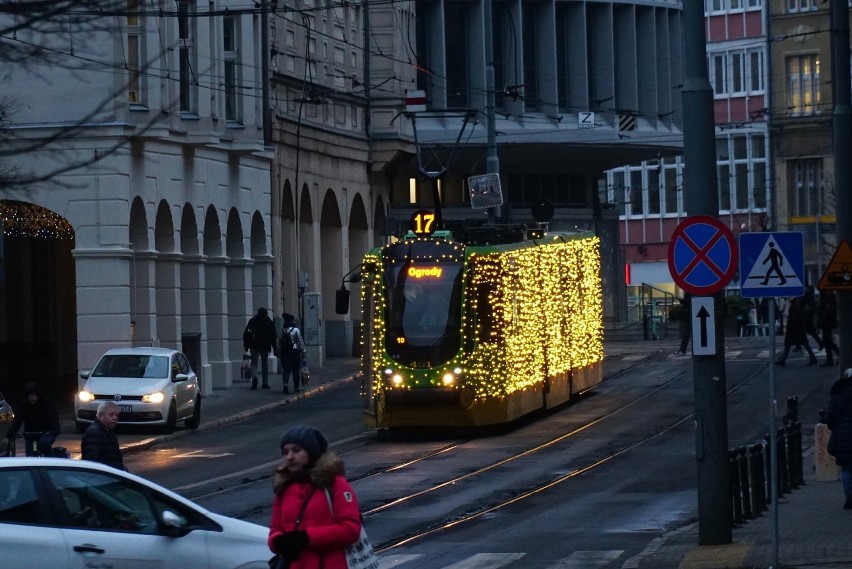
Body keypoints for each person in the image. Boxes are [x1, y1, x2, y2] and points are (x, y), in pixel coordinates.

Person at [268, 425, 361, 569]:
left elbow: (351, 529)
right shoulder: (284, 487)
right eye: (285, 452)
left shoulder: (334, 484)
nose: (290, 457)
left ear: (311, 452)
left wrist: (307, 538)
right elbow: (275, 529)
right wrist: (278, 541)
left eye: (296, 450)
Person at [6, 382, 60, 457]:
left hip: (46, 432)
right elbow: (18, 420)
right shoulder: (24, 406)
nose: (32, 398)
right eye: (30, 396)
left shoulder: (45, 404)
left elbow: (53, 419)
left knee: (44, 443)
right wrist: (12, 431)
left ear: (38, 395)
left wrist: (52, 431)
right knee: (31, 454)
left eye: (34, 395)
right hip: (31, 434)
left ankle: (50, 460)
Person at [825, 368, 852, 509]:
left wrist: (836, 428)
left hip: (843, 435)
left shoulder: (838, 395)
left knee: (847, 468)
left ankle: (849, 497)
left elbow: (830, 418)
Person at [81, 401, 126, 471]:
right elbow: (92, 461)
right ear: (101, 415)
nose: (114, 418)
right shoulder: (94, 433)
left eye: (116, 415)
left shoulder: (108, 431)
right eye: (110, 415)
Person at [776, 297, 817, 366]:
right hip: (797, 329)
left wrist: (790, 319)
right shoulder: (797, 305)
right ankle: (783, 360)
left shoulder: (795, 305)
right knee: (801, 344)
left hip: (795, 329)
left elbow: (796, 317)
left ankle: (783, 360)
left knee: (790, 344)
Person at [244, 307, 278, 390]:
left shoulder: (252, 321)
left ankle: (254, 377)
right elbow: (273, 336)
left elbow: (247, 333)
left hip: (254, 345)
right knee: (264, 364)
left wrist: (246, 345)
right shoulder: (268, 322)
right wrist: (275, 348)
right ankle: (265, 383)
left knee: (254, 363)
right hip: (265, 346)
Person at [278, 313, 307, 394]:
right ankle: (296, 387)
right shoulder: (296, 330)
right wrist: (304, 352)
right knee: (295, 370)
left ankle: (285, 385)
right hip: (295, 352)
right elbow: (301, 342)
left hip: (285, 353)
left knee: (286, 370)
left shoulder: (281, 331)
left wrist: (279, 352)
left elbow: (278, 342)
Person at [818, 290, 840, 367]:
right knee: (826, 341)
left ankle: (836, 356)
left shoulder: (827, 294)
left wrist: (822, 319)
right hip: (828, 322)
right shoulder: (829, 294)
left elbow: (828, 308)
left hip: (827, 322)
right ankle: (830, 359)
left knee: (826, 340)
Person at [801, 285, 823, 352]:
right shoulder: (811, 300)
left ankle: (819, 345)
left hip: (806, 319)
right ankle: (820, 344)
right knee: (811, 333)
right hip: (807, 319)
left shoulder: (808, 299)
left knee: (806, 334)